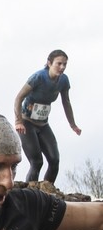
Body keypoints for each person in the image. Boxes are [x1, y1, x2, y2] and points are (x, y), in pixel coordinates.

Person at [13, 49, 82, 184]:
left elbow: (66, 102)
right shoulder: (38, 77)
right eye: (59, 64)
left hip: (43, 124)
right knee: (37, 162)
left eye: (64, 64)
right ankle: (31, 193)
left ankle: (47, 194)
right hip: (27, 123)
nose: (62, 67)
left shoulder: (63, 80)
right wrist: (18, 121)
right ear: (49, 63)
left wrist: (73, 125)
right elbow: (18, 98)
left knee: (54, 160)